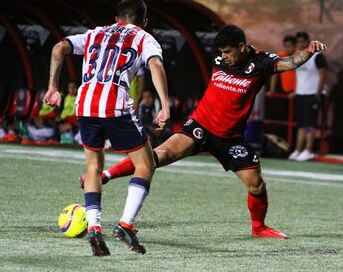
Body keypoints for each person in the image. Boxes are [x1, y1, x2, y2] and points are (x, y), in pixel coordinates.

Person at [80, 24, 327, 240]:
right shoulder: (219, 60)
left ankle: (259, 227)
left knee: (256, 185)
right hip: (199, 126)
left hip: (230, 139)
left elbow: (290, 63)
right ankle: (105, 176)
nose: (223, 57)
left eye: (228, 52)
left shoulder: (261, 63)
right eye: (221, 53)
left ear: (242, 46)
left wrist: (309, 51)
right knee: (159, 155)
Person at [44, 0, 170, 256]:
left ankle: (94, 227)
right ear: (144, 22)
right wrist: (165, 105)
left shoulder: (96, 33)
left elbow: (59, 48)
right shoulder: (143, 37)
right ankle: (125, 224)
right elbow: (155, 65)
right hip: (115, 105)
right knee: (146, 164)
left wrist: (53, 87)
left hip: (85, 104)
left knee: (93, 166)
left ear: (117, 18)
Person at [288, 31, 328, 161]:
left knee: (310, 125)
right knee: (300, 124)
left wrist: (318, 93)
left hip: (313, 94)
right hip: (301, 94)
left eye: (301, 41)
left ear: (307, 42)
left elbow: (323, 75)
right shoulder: (297, 57)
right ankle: (298, 150)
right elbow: (300, 77)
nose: (299, 44)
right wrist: (296, 91)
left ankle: (309, 150)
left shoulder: (317, 56)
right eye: (297, 42)